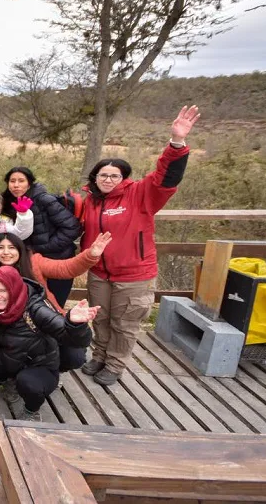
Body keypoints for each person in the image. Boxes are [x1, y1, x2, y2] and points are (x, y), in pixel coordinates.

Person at [81, 106, 200, 386]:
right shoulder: (89, 201)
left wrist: (177, 143)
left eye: (114, 176)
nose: (108, 180)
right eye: (103, 175)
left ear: (124, 178)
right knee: (100, 319)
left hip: (134, 275)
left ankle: (115, 364)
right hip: (99, 273)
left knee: (125, 323)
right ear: (94, 178)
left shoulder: (141, 195)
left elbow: (166, 178)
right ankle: (99, 355)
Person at [0, 266, 97, 421]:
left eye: (3, 290)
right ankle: (6, 380)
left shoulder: (35, 308)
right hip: (7, 357)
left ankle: (31, 411)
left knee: (29, 384)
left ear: (13, 288)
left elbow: (71, 337)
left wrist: (75, 324)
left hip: (38, 364)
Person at [3, 167, 83, 306]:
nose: (16, 185)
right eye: (12, 181)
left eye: (21, 181)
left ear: (29, 183)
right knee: (34, 307)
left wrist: (43, 248)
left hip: (58, 261)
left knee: (55, 306)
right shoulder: (9, 202)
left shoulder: (44, 199)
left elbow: (72, 227)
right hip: (31, 264)